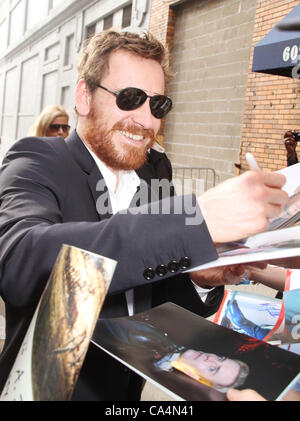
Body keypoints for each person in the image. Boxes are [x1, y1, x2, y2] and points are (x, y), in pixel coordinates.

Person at [0, 30, 288, 400]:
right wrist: (193, 220)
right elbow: (19, 260)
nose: (145, 120)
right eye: (130, 98)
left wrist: (199, 278)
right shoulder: (39, 159)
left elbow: (153, 298)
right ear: (84, 97)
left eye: (158, 105)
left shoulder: (154, 174)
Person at [98, 317, 249, 393]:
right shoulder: (185, 330)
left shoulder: (150, 360)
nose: (211, 359)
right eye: (220, 358)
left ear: (198, 379)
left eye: (213, 369)